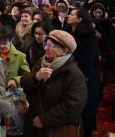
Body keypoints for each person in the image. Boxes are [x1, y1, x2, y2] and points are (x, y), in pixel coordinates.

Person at [21, 30, 87, 137]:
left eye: (51, 45)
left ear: (64, 51)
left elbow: (73, 105)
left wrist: (44, 120)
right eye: (45, 44)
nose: (46, 48)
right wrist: (36, 77)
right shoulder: (41, 63)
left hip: (57, 128)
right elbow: (25, 83)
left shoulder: (74, 74)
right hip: (33, 125)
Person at [65, 8, 100, 137]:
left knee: (86, 112)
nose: (69, 15)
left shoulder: (89, 36)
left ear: (80, 19)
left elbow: (88, 60)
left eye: (72, 14)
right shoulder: (68, 33)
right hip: (70, 75)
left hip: (85, 77)